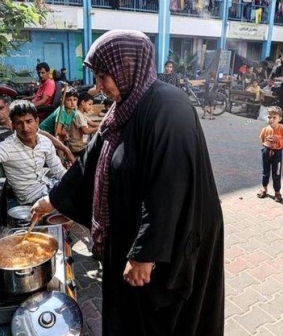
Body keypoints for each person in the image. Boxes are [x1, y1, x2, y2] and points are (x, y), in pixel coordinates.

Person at [30, 29, 224, 336]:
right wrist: (53, 199)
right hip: (134, 231)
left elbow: (169, 188)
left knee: (159, 320)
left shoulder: (168, 109)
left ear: (129, 66)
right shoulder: (126, 107)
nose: (98, 87)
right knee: (130, 313)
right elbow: (90, 162)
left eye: (104, 76)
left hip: (172, 244)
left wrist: (145, 254)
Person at [0, 100, 66, 205]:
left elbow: (58, 170)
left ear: (37, 121)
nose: (25, 128)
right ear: (13, 125)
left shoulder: (45, 141)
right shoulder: (6, 148)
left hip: (49, 187)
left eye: (29, 121)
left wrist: (74, 181)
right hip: (32, 201)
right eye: (19, 123)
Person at [0, 93, 74, 168]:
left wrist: (65, 150)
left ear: (7, 106)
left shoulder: (17, 120)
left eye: (0, 108)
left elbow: (40, 133)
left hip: (37, 165)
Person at [257, 106, 283, 202]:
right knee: (265, 171)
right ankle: (264, 188)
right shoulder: (265, 129)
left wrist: (279, 150)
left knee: (277, 173)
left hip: (277, 153)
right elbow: (263, 140)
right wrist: (267, 148)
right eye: (269, 117)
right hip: (266, 151)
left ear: (280, 118)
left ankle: (277, 191)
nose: (271, 119)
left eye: (274, 117)